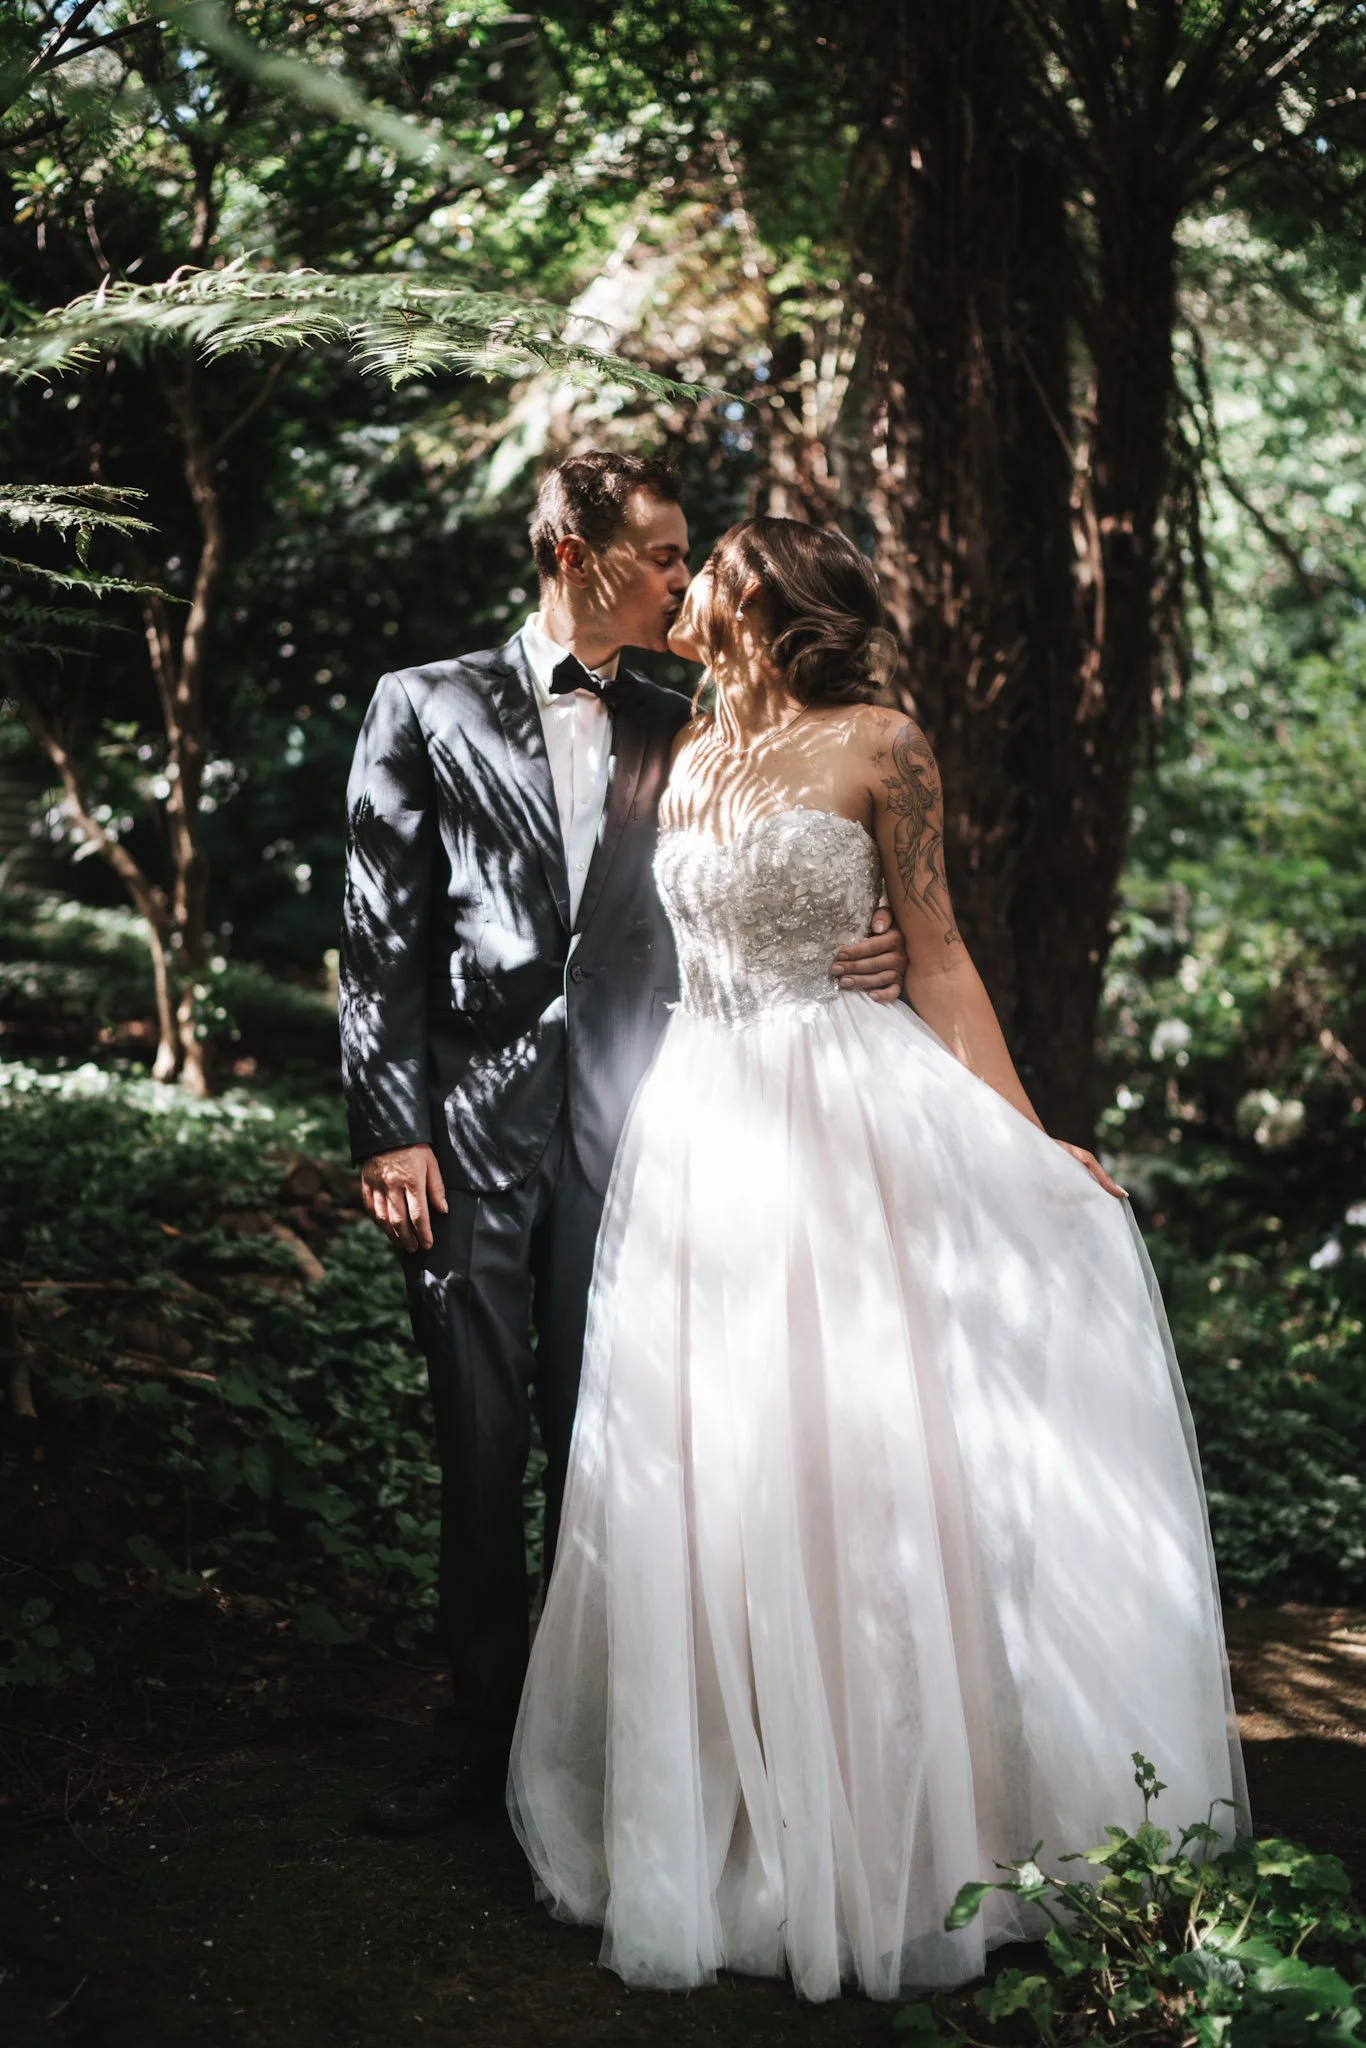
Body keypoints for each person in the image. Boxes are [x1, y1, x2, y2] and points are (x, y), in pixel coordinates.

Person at [507, 517, 1249, 2001]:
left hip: (850, 1124)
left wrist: (1032, 1142)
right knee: (719, 1469)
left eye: (706, 565)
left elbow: (941, 948)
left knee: (865, 1465)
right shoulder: (692, 748)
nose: (684, 583)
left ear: (764, 599)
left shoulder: (881, 743)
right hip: (705, 1133)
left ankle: (909, 1835)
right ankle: (746, 1820)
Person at [338, 459, 907, 1833]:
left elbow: (775, 857)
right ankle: (476, 1737)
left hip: (650, 1131)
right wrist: (391, 1127)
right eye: (656, 554)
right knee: (478, 1447)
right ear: (569, 552)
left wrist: (861, 955)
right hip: (467, 1136)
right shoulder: (420, 703)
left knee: (627, 1443)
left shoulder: (697, 717)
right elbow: (378, 932)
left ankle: (601, 1743)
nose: (677, 578)